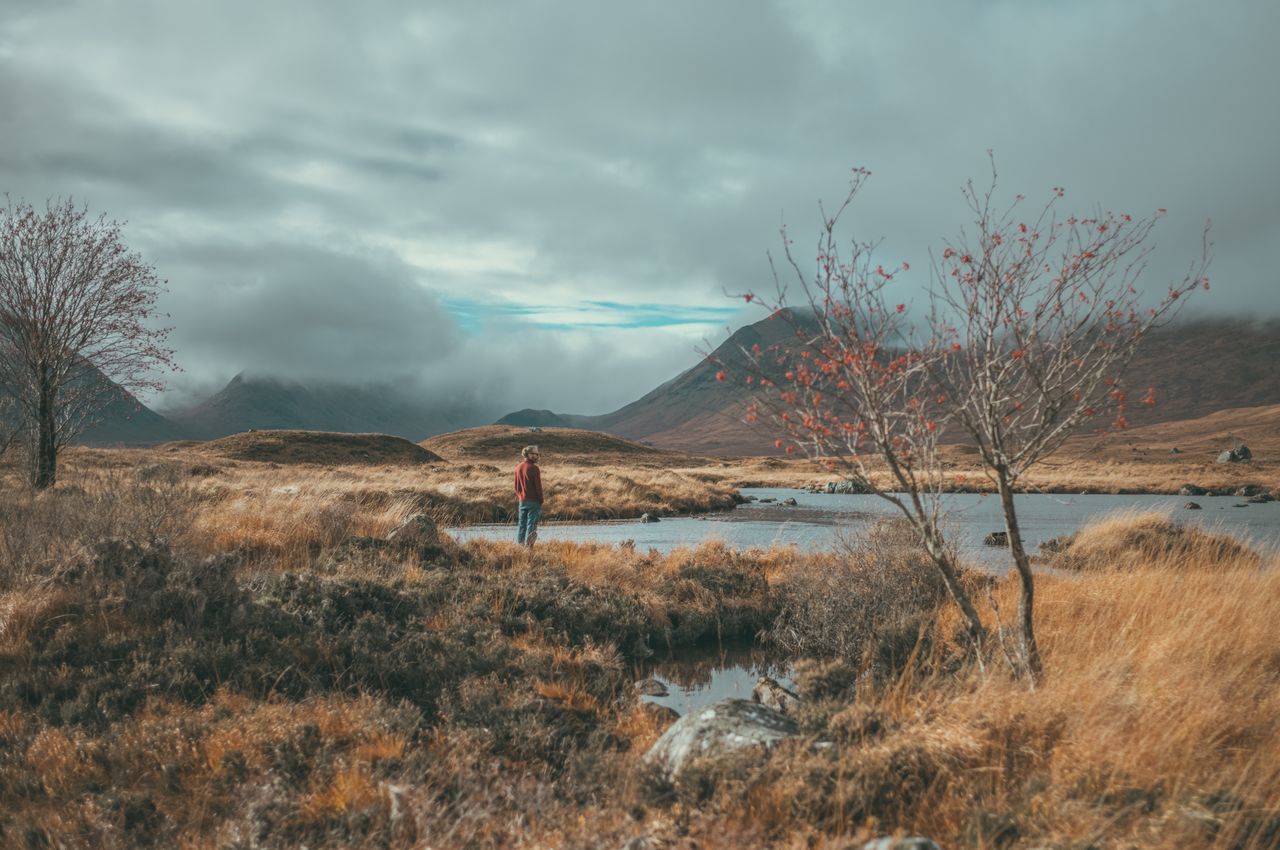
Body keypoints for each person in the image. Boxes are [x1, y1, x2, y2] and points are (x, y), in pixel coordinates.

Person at [514, 445, 543, 546]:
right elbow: (538, 487)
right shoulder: (534, 468)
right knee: (532, 525)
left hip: (522, 501)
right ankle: (529, 548)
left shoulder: (518, 467)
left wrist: (521, 497)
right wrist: (540, 500)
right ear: (527, 454)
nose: (536, 456)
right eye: (533, 454)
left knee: (522, 525)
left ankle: (520, 546)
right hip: (534, 501)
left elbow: (516, 487)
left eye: (537, 454)